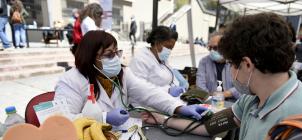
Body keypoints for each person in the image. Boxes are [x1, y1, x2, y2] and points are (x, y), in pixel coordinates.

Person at [142, 12, 302, 140]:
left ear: (247, 64)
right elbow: (210, 126)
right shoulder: (253, 99)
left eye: (232, 64)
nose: (231, 72)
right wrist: (163, 120)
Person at [54, 30, 207, 127]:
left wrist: (179, 107)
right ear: (90, 57)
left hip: (120, 137)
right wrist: (104, 117)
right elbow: (62, 121)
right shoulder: (71, 81)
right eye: (109, 55)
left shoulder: (122, 74)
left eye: (116, 52)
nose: (115, 59)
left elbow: (149, 92)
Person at [129, 26, 186, 98]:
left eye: (171, 48)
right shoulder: (140, 59)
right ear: (157, 43)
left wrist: (180, 89)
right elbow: (139, 89)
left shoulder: (162, 59)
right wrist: (167, 91)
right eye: (168, 47)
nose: (169, 51)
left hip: (164, 100)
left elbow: (171, 78)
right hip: (146, 105)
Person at [196, 32, 240, 100]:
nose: (212, 51)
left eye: (215, 48)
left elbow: (242, 86)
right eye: (210, 48)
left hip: (233, 103)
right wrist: (210, 97)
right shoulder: (204, 62)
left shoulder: (235, 62)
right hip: (211, 101)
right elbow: (200, 85)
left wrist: (226, 94)